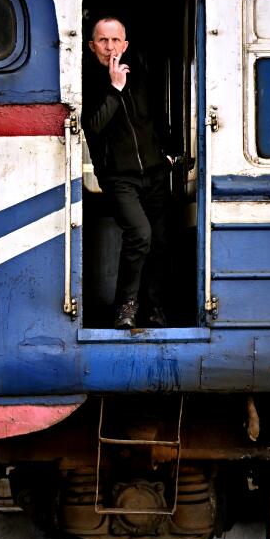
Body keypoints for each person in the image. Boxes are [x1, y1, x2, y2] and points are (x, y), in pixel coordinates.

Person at [81, 17, 171, 329]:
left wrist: (171, 152)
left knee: (158, 240)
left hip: (155, 173)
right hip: (118, 177)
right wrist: (114, 87)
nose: (110, 47)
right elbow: (93, 126)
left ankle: (154, 308)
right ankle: (126, 307)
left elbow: (158, 118)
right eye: (103, 41)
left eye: (115, 40)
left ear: (125, 44)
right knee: (139, 234)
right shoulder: (86, 81)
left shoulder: (140, 74)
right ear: (92, 46)